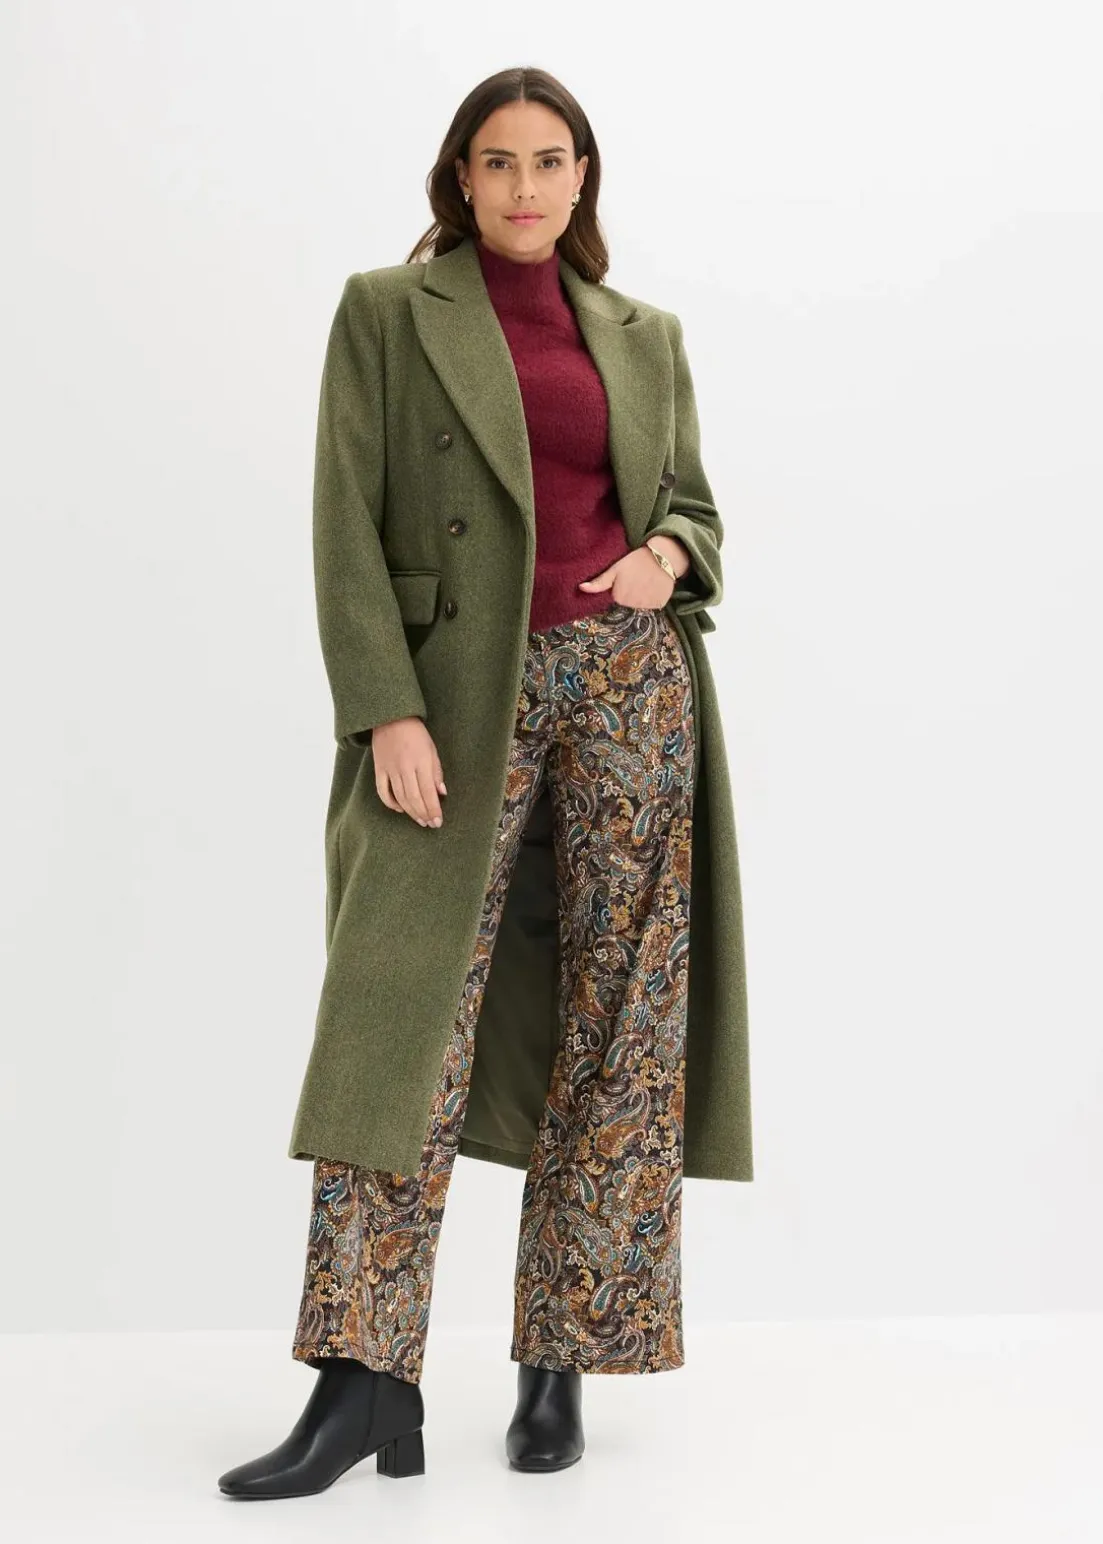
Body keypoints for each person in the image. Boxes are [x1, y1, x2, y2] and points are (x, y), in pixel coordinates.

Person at [218, 63, 752, 1500]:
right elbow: (342, 520)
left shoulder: (643, 335)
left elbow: (694, 508)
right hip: (457, 697)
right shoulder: (389, 313)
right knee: (403, 1020)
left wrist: (668, 558)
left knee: (618, 1024)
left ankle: (559, 1357)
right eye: (499, 161)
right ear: (461, 176)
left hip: (627, 689)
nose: (526, 186)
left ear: (584, 178)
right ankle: (363, 1377)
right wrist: (383, 708)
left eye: (551, 161)